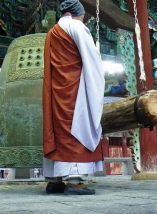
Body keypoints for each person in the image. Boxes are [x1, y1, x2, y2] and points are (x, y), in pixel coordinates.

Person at [42, 0, 105, 195]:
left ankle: (55, 179)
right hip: (75, 88)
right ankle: (75, 180)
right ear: (76, 13)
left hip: (56, 89)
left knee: (58, 130)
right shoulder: (77, 26)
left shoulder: (52, 32)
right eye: (83, 16)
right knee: (77, 129)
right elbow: (92, 60)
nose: (83, 19)